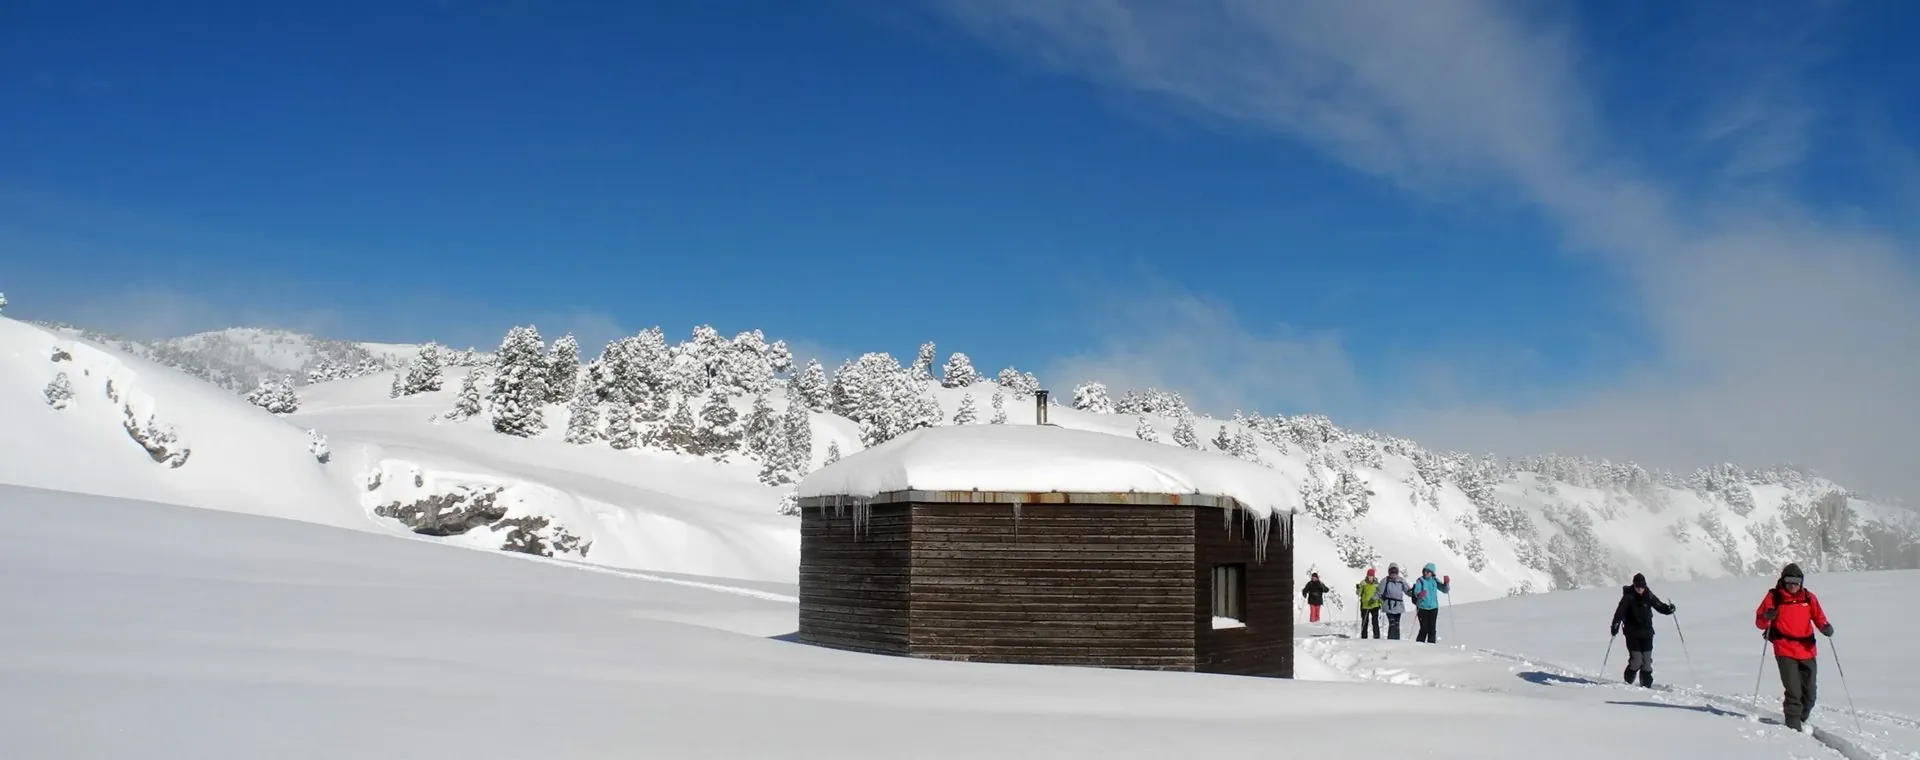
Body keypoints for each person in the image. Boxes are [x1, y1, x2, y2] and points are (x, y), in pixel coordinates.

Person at [1756, 563, 1832, 732]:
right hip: (1784, 648)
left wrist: (1825, 627)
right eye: (1789, 581)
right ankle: (1793, 727)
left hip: (1807, 648)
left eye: (1796, 581)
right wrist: (1766, 616)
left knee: (1810, 693)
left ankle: (1801, 719)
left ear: (1801, 582)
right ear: (1782, 581)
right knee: (1793, 691)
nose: (1792, 585)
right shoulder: (1774, 597)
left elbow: (1819, 617)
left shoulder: (1808, 597)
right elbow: (1760, 622)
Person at [1610, 572, 1676, 687]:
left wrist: (1668, 609)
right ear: (1634, 586)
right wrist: (1615, 625)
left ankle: (1646, 685)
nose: (1640, 589)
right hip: (1632, 633)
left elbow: (1658, 605)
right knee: (1636, 661)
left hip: (1647, 632)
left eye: (1642, 586)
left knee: (1647, 662)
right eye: (1637, 587)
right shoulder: (1628, 597)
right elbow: (1619, 613)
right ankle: (1628, 680)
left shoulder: (1648, 595)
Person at [1410, 562, 1450, 643]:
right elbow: (1416, 591)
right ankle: (1418, 645)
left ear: (1432, 573)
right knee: (1424, 629)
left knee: (1432, 629)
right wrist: (1419, 594)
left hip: (1433, 608)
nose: (1425, 573)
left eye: (1427, 571)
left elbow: (1445, 590)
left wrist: (1446, 584)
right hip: (1422, 607)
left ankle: (1431, 648)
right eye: (1424, 571)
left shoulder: (1434, 580)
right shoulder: (1420, 580)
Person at [1375, 564, 1412, 640]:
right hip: (1389, 606)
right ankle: (1391, 641)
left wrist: (1415, 594)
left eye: (1395, 571)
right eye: (1392, 571)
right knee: (1392, 624)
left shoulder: (1401, 581)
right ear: (1389, 572)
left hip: (1398, 606)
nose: (1393, 573)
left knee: (1397, 624)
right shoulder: (1385, 580)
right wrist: (1373, 599)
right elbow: (1379, 592)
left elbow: (1408, 591)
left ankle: (1396, 641)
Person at [1355, 568, 1382, 639]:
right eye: (1369, 576)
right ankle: (1364, 637)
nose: (1370, 577)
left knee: (1375, 622)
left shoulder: (1377, 584)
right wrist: (1358, 589)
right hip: (1365, 605)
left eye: (1371, 576)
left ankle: (1376, 637)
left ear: (1374, 576)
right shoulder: (1363, 583)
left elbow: (1379, 593)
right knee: (1364, 622)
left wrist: (1381, 602)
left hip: (1375, 605)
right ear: (1367, 575)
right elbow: (1359, 593)